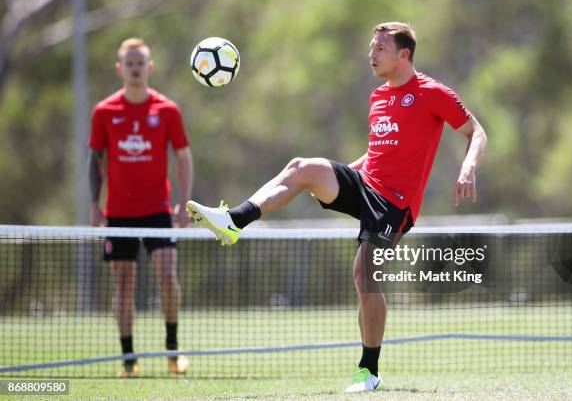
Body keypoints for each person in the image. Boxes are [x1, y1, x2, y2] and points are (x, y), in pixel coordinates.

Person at [187, 22, 487, 392]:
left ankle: (369, 372)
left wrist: (468, 168)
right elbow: (376, 154)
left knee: (364, 276)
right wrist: (335, 177)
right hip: (365, 184)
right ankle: (233, 220)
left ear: (403, 55)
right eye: (371, 47)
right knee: (302, 167)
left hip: (394, 204)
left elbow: (477, 131)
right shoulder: (378, 97)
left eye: (380, 48)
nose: (372, 53)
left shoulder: (431, 92)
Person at [88, 38, 193, 378]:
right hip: (118, 214)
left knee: (167, 276)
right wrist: (94, 205)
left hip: (158, 212)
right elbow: (95, 160)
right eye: (128, 63)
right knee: (123, 284)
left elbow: (183, 156)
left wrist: (184, 201)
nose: (134, 68)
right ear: (120, 68)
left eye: (140, 62)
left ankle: (173, 350)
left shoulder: (167, 110)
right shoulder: (104, 111)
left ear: (149, 67)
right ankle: (129, 359)